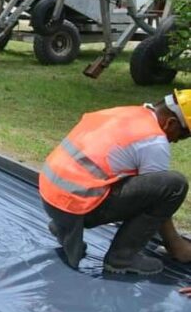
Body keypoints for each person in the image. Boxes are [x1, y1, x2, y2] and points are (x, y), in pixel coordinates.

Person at [41, 89, 191, 275]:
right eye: (183, 135)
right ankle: (122, 258)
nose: (177, 141)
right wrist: (178, 247)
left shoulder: (128, 112)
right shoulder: (154, 141)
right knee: (174, 185)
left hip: (51, 197)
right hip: (76, 206)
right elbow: (159, 199)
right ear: (171, 122)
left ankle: (64, 226)